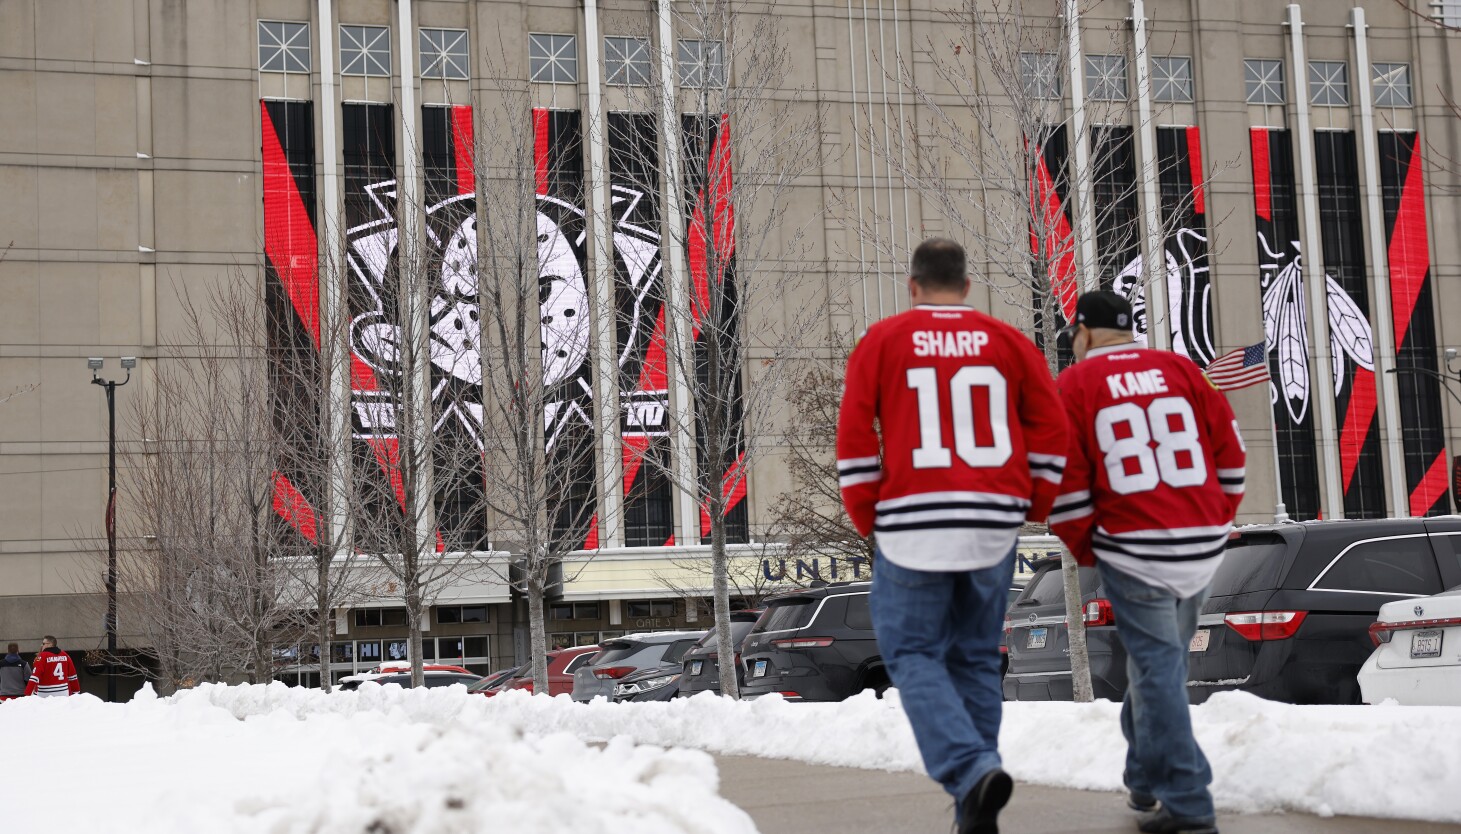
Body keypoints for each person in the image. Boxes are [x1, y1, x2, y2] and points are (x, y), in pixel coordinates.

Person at [838, 238, 1069, 834]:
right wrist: (1035, 502)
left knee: (912, 652)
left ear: (913, 287)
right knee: (973, 657)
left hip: (914, 514)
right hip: (993, 516)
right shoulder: (1011, 343)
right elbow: (1051, 428)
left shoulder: (883, 342)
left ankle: (969, 769)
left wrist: (870, 516)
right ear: (967, 288)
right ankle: (976, 806)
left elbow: (857, 438)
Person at [1049, 291, 1245, 834]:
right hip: (1200, 540)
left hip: (1135, 546)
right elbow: (1231, 450)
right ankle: (1143, 776)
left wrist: (1091, 550)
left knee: (1158, 671)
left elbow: (1064, 488)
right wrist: (1216, 515)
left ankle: (1188, 802)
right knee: (1160, 667)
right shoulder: (1182, 369)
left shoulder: (1075, 384)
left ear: (1083, 333)